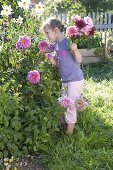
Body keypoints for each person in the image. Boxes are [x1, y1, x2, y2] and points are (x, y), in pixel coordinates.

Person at [41, 18, 84, 134]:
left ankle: (69, 134)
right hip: (65, 80)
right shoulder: (56, 45)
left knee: (70, 106)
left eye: (47, 33)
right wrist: (51, 60)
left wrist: (75, 50)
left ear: (55, 30)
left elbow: (79, 60)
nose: (46, 36)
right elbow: (59, 64)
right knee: (63, 104)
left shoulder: (68, 42)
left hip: (74, 80)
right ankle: (65, 127)